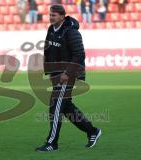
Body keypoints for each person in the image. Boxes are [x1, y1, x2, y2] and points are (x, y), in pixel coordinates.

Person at [35, 4, 101, 152]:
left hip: (68, 74)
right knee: (66, 107)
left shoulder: (72, 33)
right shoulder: (51, 29)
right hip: (56, 74)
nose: (51, 17)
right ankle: (92, 131)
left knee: (55, 108)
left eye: (54, 15)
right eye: (50, 15)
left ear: (62, 16)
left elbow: (79, 55)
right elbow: (48, 50)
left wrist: (67, 73)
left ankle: (52, 143)